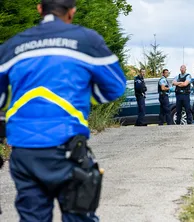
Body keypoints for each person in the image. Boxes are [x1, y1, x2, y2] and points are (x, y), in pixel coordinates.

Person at [0, 0, 126, 221]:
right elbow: (115, 87)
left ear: (40, 9)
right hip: (67, 148)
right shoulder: (87, 40)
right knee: (79, 215)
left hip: (23, 149)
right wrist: (82, 96)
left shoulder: (12, 46)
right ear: (72, 12)